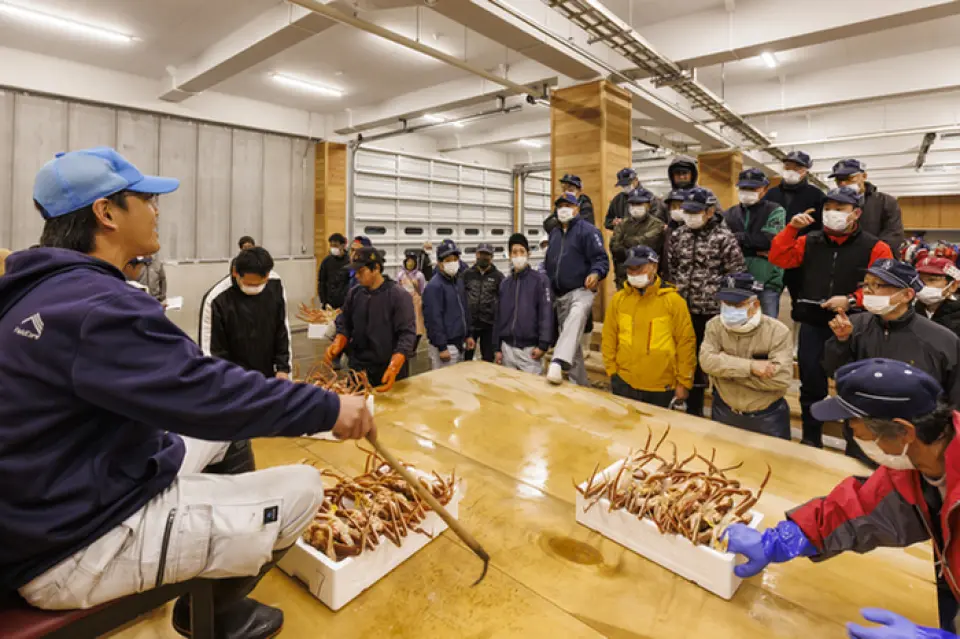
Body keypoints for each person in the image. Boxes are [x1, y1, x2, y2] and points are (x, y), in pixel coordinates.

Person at [0, 147, 372, 638]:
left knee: (229, 441)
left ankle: (219, 589)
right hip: (72, 544)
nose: (157, 210)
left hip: (70, 487)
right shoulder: (97, 307)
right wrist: (328, 408)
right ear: (106, 213)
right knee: (304, 488)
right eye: (146, 199)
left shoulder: (35, 293)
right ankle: (210, 617)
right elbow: (207, 392)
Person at [724, 358, 960, 636]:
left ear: (905, 431)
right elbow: (856, 509)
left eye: (854, 423)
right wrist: (779, 540)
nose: (852, 432)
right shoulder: (916, 465)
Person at [768, 186, 894, 448]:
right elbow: (779, 257)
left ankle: (854, 444)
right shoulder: (808, 241)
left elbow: (884, 286)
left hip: (855, 326)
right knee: (811, 384)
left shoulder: (876, 247)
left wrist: (850, 300)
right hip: (813, 323)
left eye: (840, 209)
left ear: (856, 213)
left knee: (852, 386)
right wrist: (791, 229)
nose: (832, 213)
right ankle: (811, 438)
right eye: (828, 208)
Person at [823, 259, 960, 461]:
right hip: (863, 435)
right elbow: (833, 371)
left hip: (914, 442)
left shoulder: (941, 340)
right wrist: (841, 342)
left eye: (878, 285)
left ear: (906, 295)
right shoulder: (854, 326)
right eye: (866, 284)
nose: (868, 291)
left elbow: (955, 397)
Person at [668, 186, 746, 416]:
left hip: (712, 312)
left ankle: (723, 410)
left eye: (696, 211)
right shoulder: (678, 236)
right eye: (687, 211)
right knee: (688, 361)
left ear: (710, 211)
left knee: (713, 361)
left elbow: (736, 273)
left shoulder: (723, 237)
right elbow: (673, 269)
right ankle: (693, 410)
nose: (690, 216)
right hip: (683, 310)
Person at [700, 273, 793, 439]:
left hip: (766, 418)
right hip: (724, 412)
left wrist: (725, 371)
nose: (730, 309)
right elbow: (706, 362)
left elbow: (780, 379)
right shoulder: (714, 326)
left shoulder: (778, 332)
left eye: (737, 304)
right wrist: (751, 367)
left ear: (755, 305)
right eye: (726, 303)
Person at [601, 246, 695, 408]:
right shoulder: (619, 300)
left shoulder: (673, 301)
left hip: (661, 386)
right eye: (630, 269)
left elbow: (685, 343)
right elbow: (609, 336)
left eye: (639, 268)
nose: (634, 273)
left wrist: (684, 382)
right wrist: (612, 371)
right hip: (625, 382)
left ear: (654, 266)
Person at [325, 247, 416, 391]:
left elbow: (407, 333)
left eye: (361, 272)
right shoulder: (355, 293)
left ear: (376, 269)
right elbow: (344, 320)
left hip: (386, 369)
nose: (356, 276)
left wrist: (396, 363)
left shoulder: (398, 296)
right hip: (358, 368)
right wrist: (340, 338)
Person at [201, 246, 293, 384]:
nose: (254, 289)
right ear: (235, 273)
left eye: (259, 285)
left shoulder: (275, 284)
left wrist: (283, 369)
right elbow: (212, 353)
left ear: (267, 275)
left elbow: (282, 330)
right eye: (248, 284)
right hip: (233, 382)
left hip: (269, 377)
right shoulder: (216, 300)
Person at [544, 193, 610, 386]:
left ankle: (556, 361)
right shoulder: (554, 233)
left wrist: (596, 273)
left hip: (582, 290)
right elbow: (550, 263)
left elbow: (601, 259)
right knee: (571, 343)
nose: (563, 208)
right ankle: (581, 384)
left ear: (577, 208)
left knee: (576, 315)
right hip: (560, 295)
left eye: (568, 205)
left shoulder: (588, 231)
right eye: (560, 205)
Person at [723, 168, 787, 318]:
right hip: (736, 282)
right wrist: (755, 246)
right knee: (738, 324)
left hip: (767, 281)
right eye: (744, 188)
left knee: (767, 326)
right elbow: (725, 244)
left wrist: (739, 239)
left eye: (753, 188)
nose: (748, 192)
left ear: (764, 189)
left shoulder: (775, 210)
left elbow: (770, 241)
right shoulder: (729, 213)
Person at [493, 233, 553, 374]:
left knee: (531, 392)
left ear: (528, 254)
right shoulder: (504, 284)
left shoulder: (540, 281)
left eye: (521, 251)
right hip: (507, 349)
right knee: (510, 391)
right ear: (509, 255)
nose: (518, 255)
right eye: (514, 252)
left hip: (530, 351)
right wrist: (496, 348)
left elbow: (546, 313)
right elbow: (498, 317)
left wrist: (543, 345)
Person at [830, 158, 906, 255]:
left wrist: (871, 254)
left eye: (849, 178)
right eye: (838, 180)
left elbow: (894, 234)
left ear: (864, 176)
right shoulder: (832, 206)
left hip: (876, 262)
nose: (843, 183)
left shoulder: (885, 201)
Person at [422, 239, 474, 369]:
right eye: (448, 260)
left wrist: (468, 335)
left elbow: (464, 310)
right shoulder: (434, 286)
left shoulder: (458, 282)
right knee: (444, 386)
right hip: (446, 348)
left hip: (460, 344)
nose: (453, 263)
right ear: (440, 263)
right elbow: (433, 319)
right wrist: (442, 347)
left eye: (455, 259)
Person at [610, 187, 667, 289]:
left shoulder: (657, 225)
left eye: (639, 204)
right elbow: (615, 247)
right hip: (624, 279)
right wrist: (636, 246)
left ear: (648, 205)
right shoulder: (622, 224)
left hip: (649, 280)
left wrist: (626, 242)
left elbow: (650, 244)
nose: (635, 207)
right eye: (632, 204)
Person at [763, 151, 826, 230]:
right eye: (787, 167)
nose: (791, 171)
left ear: (806, 171)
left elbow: (822, 226)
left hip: (804, 241)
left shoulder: (817, 196)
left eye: (797, 168)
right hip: (774, 240)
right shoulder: (771, 194)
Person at [463, 243, 504, 363]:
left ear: (492, 257)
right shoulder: (467, 275)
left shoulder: (499, 277)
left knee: (488, 360)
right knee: (466, 360)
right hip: (470, 326)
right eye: (482, 254)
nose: (484, 257)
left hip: (489, 326)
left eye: (487, 255)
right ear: (476, 254)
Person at [916, 255, 960, 334]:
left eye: (932, 280)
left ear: (953, 285)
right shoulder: (910, 311)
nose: (923, 286)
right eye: (919, 281)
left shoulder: (956, 315)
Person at [397, 249, 427, 349]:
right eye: (408, 261)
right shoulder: (400, 274)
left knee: (417, 326)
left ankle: (414, 347)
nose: (409, 263)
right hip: (403, 302)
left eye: (412, 261)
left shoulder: (420, 276)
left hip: (416, 302)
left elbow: (422, 291)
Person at [317, 232, 349, 309]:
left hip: (345, 303)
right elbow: (321, 282)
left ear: (343, 245)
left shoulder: (349, 261)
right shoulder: (326, 261)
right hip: (329, 303)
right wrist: (324, 301)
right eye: (331, 246)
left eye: (335, 246)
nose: (333, 248)